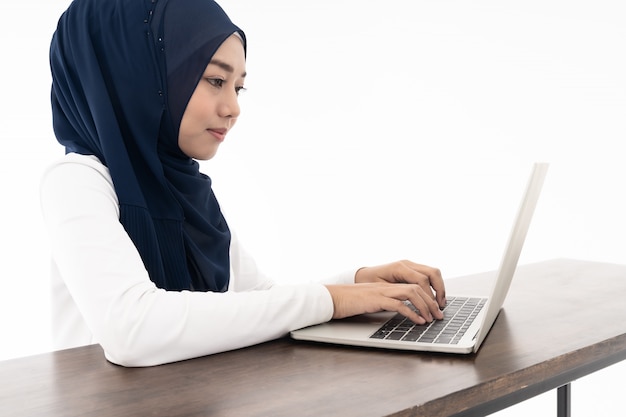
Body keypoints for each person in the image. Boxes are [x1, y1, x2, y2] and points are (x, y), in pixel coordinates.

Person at [40, 0, 446, 367]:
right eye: (216, 80)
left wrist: (359, 282)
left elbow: (260, 299)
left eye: (239, 87)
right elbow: (132, 331)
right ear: (136, 76)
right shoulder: (77, 181)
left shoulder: (187, 192)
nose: (233, 108)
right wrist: (333, 300)